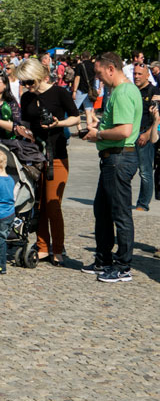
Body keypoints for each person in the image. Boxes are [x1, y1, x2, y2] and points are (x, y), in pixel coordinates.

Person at [81, 52, 142, 283]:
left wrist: (99, 134)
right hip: (112, 158)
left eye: (98, 73)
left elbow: (125, 131)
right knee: (103, 210)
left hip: (119, 158)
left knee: (120, 213)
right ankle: (104, 259)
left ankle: (123, 266)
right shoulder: (120, 91)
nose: (98, 78)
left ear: (110, 69)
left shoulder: (124, 92)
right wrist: (100, 125)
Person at [15, 58, 80, 265]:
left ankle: (58, 248)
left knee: (53, 204)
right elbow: (24, 121)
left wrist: (58, 123)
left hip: (56, 153)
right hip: (34, 154)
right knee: (38, 203)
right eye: (23, 83)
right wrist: (22, 130)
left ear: (40, 76)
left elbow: (76, 118)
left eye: (29, 82)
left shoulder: (60, 93)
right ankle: (42, 246)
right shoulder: (26, 98)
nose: (26, 87)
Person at [132, 63, 160, 211]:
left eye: (139, 74)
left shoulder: (154, 91)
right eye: (135, 73)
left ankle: (143, 203)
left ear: (147, 75)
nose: (136, 76)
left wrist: (147, 134)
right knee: (126, 169)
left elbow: (158, 117)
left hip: (145, 134)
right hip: (130, 135)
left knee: (145, 171)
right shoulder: (132, 90)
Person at [72, 52, 98, 131]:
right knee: (88, 110)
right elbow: (96, 78)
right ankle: (89, 128)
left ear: (81, 57)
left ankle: (79, 128)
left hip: (80, 90)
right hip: (90, 91)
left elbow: (77, 78)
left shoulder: (80, 66)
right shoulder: (93, 66)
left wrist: (74, 91)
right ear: (89, 56)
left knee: (74, 109)